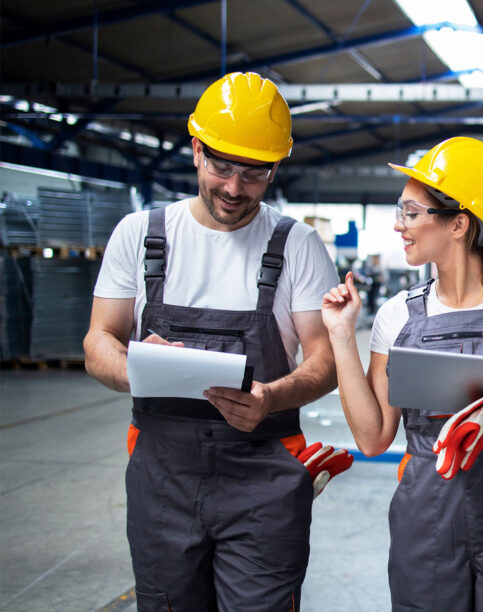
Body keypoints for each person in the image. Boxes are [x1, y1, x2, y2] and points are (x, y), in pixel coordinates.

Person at [83, 72, 346, 610]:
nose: (233, 188)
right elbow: (98, 341)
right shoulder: (140, 235)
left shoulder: (297, 245)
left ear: (275, 168)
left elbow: (326, 360)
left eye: (253, 174)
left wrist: (270, 397)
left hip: (264, 477)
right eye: (221, 167)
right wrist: (142, 367)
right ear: (196, 149)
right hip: (162, 477)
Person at [321, 136, 483, 611]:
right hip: (428, 509)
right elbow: (372, 439)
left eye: (410, 211)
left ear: (458, 223)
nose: (399, 224)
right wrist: (341, 337)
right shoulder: (396, 316)